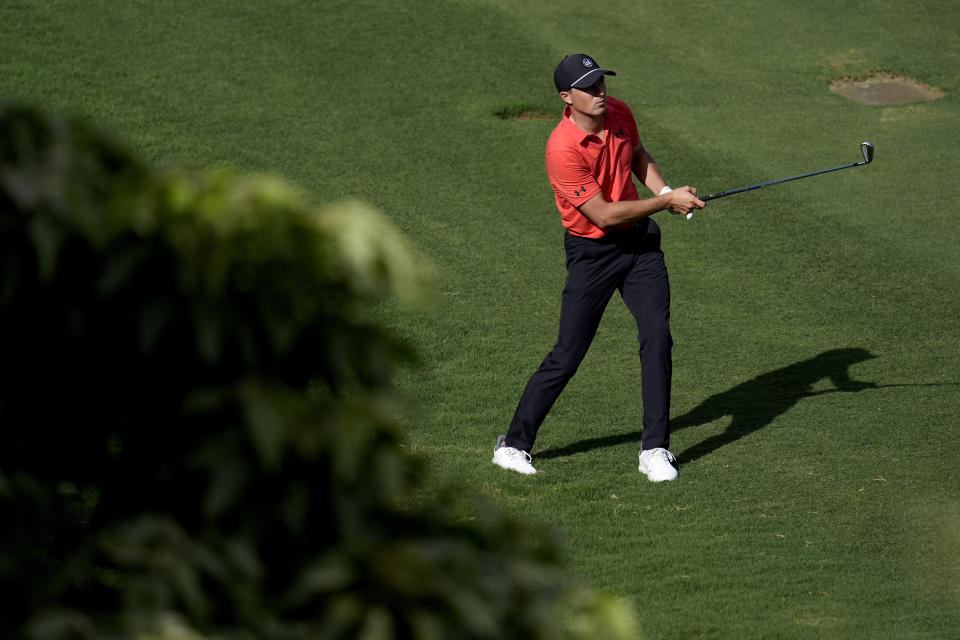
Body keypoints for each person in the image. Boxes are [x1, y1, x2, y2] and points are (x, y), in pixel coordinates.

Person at [492, 54, 704, 482]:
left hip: (640, 245)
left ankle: (655, 448)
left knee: (657, 336)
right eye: (588, 88)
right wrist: (666, 201)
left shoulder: (619, 112)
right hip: (593, 253)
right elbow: (604, 215)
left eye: (600, 83)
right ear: (567, 98)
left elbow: (639, 155)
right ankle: (513, 444)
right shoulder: (562, 148)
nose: (600, 92)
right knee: (568, 353)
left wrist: (663, 189)